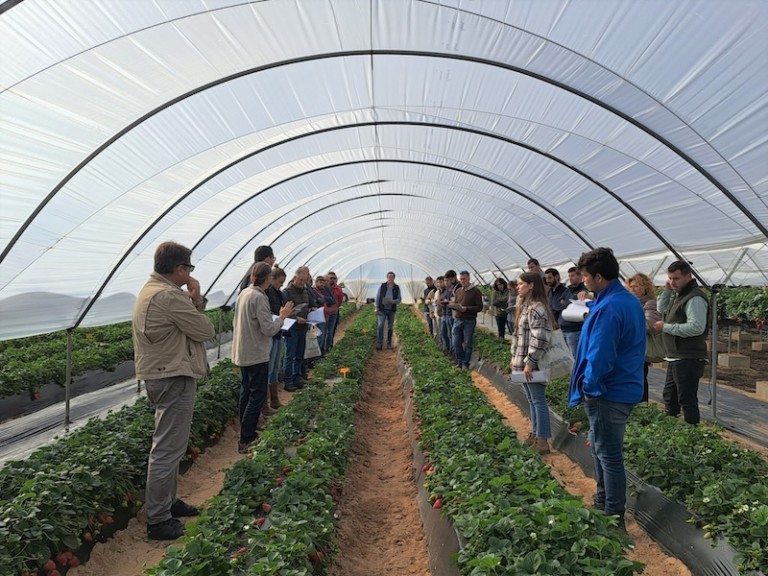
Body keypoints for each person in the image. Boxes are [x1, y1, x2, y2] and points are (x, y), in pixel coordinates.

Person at [132, 241, 215, 540]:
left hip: (159, 374)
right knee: (167, 449)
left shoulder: (148, 290)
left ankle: (168, 503)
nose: (190, 274)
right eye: (189, 268)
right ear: (179, 269)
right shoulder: (169, 296)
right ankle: (158, 520)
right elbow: (205, 330)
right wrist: (196, 300)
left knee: (169, 445)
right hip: (173, 375)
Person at [568, 247, 645, 531]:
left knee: (609, 454)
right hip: (623, 386)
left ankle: (613, 516)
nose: (583, 281)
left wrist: (590, 386)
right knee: (602, 449)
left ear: (598, 277)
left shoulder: (611, 307)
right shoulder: (625, 300)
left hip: (608, 391)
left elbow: (601, 355)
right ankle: (603, 501)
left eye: (586, 276)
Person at [232, 262, 294, 454]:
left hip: (242, 352)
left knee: (246, 394)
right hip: (256, 353)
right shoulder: (259, 297)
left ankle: (246, 431)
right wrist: (282, 317)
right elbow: (268, 329)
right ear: (267, 279)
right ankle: (247, 438)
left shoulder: (244, 293)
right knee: (257, 395)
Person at [654, 261, 709, 425]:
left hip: (688, 356)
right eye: (670, 278)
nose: (672, 282)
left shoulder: (694, 297)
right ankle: (671, 430)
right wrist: (666, 290)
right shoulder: (680, 295)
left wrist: (666, 327)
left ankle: (691, 434)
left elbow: (697, 327)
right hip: (677, 356)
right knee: (670, 397)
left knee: (686, 399)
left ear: (688, 276)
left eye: (676, 278)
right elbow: (661, 309)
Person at [510, 272, 556, 455]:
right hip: (523, 362)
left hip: (532, 364)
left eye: (521, 284)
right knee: (531, 399)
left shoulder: (537, 308)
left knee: (538, 401)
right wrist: (514, 358)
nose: (517, 287)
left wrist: (530, 362)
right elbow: (518, 336)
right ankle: (536, 434)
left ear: (531, 286)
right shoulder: (525, 307)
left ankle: (543, 440)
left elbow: (541, 338)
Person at [627, 273, 662, 402]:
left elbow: (649, 324)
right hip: (630, 349)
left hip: (640, 349)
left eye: (636, 286)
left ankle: (643, 408)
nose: (633, 289)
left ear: (645, 287)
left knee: (640, 381)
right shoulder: (630, 303)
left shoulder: (649, 303)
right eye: (631, 286)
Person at [282, 266, 311, 391]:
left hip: (303, 327)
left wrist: (311, 311)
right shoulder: (287, 292)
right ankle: (288, 381)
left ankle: (297, 377)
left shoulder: (305, 291)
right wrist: (296, 318)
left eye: (305, 281)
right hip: (292, 328)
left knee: (299, 354)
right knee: (290, 355)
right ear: (295, 277)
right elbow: (283, 310)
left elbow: (307, 306)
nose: (302, 283)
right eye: (300, 280)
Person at [265, 266, 288, 411]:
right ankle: (266, 403)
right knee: (268, 369)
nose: (281, 285)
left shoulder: (278, 293)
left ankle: (274, 399)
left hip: (279, 331)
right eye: (280, 282)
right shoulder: (266, 293)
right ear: (271, 279)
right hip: (271, 333)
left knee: (274, 368)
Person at [451, 270, 485, 369]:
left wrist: (466, 309)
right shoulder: (458, 291)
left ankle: (465, 363)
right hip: (458, 320)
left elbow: (479, 307)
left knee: (467, 343)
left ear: (469, 278)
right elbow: (456, 303)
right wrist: (452, 305)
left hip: (469, 321)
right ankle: (460, 361)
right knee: (456, 342)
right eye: (460, 279)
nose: (462, 281)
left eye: (464, 279)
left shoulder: (476, 291)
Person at [560, 266, 588, 356]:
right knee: (567, 357)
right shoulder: (568, 290)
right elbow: (560, 302)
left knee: (574, 356)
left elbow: (567, 303)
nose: (570, 278)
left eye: (572, 275)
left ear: (580, 276)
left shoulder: (584, 291)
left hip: (575, 330)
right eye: (569, 276)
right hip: (564, 329)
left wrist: (567, 302)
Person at [375, 271, 401, 350]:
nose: (390, 278)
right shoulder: (383, 286)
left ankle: (389, 344)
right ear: (387, 277)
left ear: (394, 278)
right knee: (380, 326)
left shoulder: (396, 287)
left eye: (392, 277)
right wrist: (376, 307)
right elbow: (378, 297)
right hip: (382, 309)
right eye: (389, 277)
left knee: (390, 327)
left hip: (391, 310)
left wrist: (393, 301)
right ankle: (380, 343)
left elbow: (399, 299)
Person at [439, 270, 458, 353]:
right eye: (445, 280)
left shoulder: (457, 287)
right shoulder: (447, 289)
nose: (446, 282)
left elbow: (454, 301)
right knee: (444, 333)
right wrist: (441, 302)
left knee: (451, 334)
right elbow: (444, 299)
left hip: (451, 314)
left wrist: (446, 302)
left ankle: (452, 351)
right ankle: (448, 349)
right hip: (445, 313)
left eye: (448, 280)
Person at [326, 271, 344, 347]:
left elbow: (340, 301)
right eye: (331, 278)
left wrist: (335, 307)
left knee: (331, 330)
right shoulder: (324, 288)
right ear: (327, 279)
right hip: (325, 312)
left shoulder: (338, 289)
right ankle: (324, 347)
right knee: (324, 331)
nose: (332, 280)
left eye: (334, 278)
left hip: (334, 312)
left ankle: (329, 346)